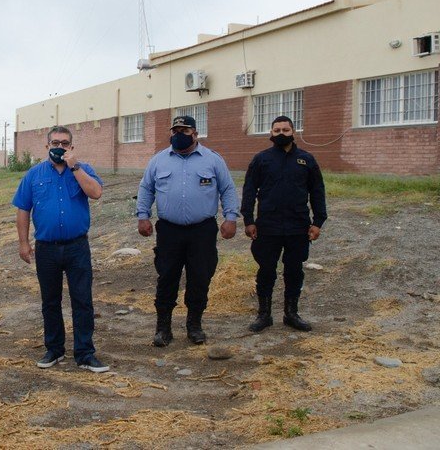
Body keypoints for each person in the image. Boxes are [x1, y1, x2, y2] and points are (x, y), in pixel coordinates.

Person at [12, 126, 109, 373]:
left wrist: (75, 167)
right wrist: (24, 243)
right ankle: (54, 349)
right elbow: (23, 209)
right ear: (47, 146)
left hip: (77, 247)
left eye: (65, 143)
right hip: (47, 249)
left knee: (82, 300)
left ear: (71, 147)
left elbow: (96, 193)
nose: (60, 147)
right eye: (55, 143)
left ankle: (85, 353)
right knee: (50, 301)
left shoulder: (83, 169)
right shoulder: (34, 175)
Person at [137, 115, 239, 346]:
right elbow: (146, 189)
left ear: (195, 133)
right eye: (175, 131)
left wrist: (230, 217)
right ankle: (163, 328)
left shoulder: (212, 160)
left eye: (184, 131)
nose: (179, 135)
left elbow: (228, 189)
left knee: (200, 278)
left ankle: (194, 325)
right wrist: (143, 216)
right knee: (166, 277)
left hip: (202, 231)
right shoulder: (158, 160)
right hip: (169, 231)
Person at [241, 115, 327, 333]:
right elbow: (249, 191)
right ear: (271, 134)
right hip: (267, 226)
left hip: (298, 226)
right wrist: (248, 220)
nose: (281, 134)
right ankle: (264, 315)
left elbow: (317, 191)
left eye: (285, 130)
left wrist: (318, 222)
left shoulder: (306, 160)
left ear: (293, 132)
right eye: (277, 130)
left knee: (294, 271)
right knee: (266, 270)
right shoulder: (261, 159)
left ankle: (291, 313)